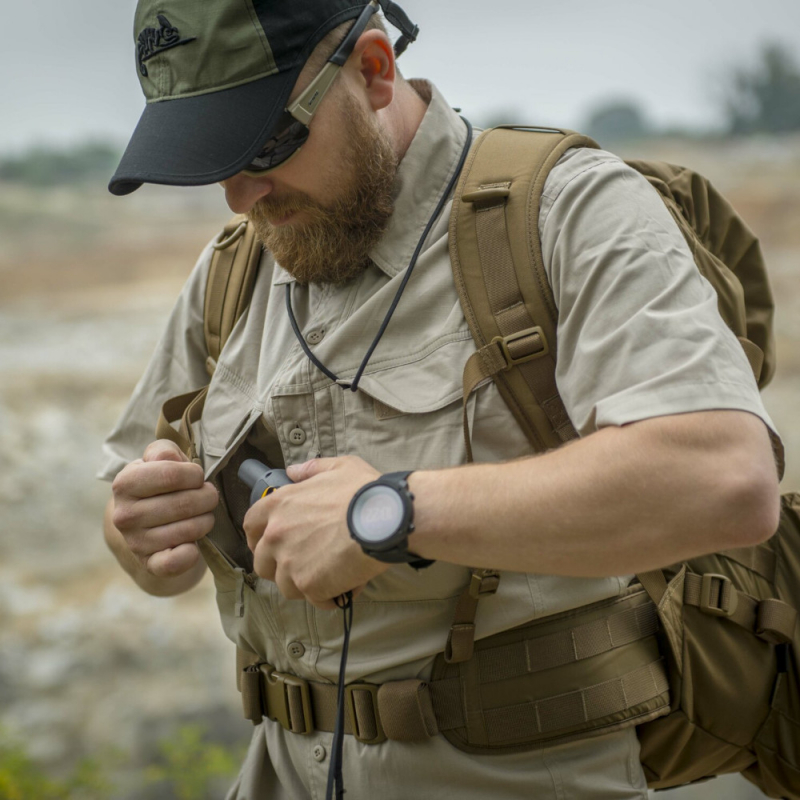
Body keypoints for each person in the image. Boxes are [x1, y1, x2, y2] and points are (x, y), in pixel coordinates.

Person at [99, 1, 783, 797]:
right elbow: (136, 526)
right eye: (213, 159)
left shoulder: (569, 212)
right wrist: (142, 534)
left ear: (375, 72)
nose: (242, 195)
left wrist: (387, 512)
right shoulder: (238, 264)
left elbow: (724, 481)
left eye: (266, 144)